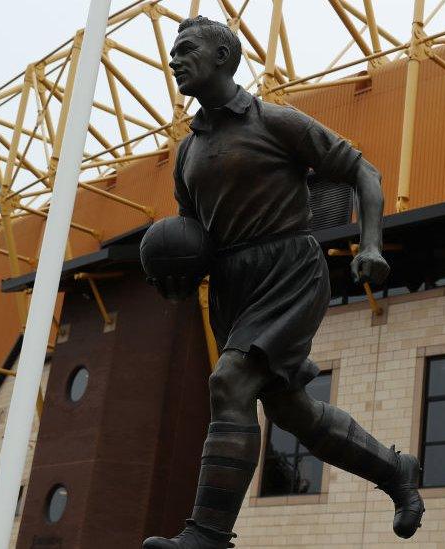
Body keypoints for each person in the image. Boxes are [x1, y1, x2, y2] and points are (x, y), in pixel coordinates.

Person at [142, 16, 424, 549]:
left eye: (185, 49)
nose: (173, 59)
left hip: (288, 271)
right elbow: (192, 234)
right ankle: (395, 471)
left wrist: (370, 244)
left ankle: (208, 535)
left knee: (230, 383)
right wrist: (173, 273)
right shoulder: (188, 152)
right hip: (232, 285)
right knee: (291, 412)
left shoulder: (274, 121)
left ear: (223, 56)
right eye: (172, 51)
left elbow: (365, 172)